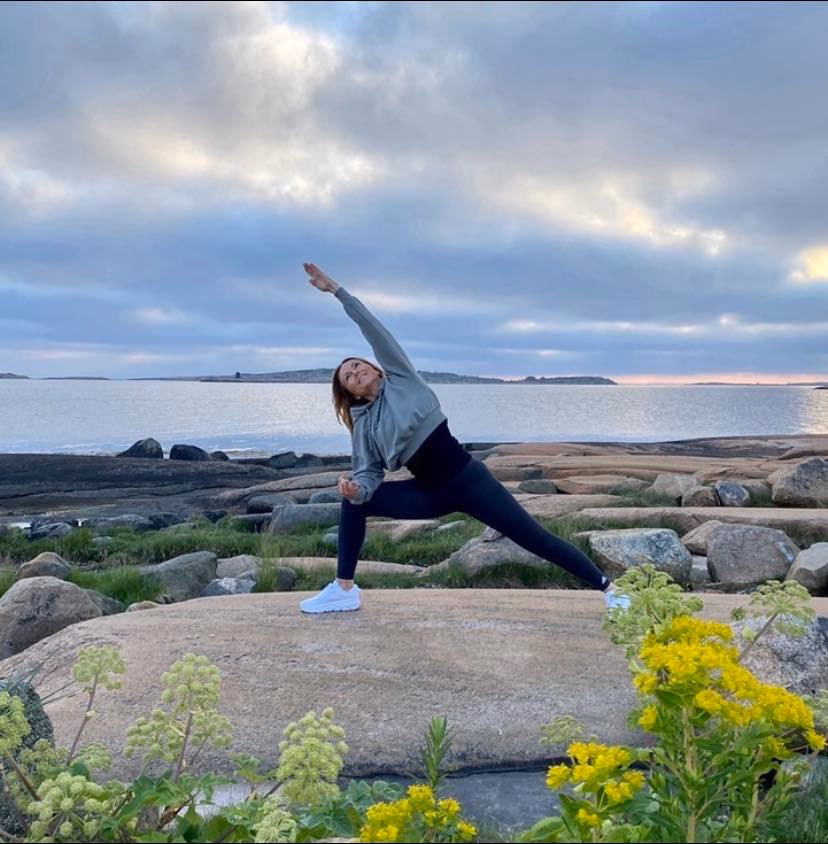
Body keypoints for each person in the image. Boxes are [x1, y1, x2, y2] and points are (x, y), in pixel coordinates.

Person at [298, 262, 630, 614]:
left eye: (357, 364)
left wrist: (338, 292)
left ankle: (610, 589)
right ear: (352, 393)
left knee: (535, 538)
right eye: (348, 375)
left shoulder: (402, 378)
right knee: (353, 504)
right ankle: (344, 590)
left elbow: (373, 329)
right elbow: (367, 473)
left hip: (469, 480)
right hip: (428, 493)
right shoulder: (364, 425)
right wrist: (357, 490)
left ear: (376, 367)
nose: (355, 370)